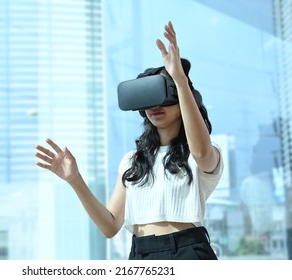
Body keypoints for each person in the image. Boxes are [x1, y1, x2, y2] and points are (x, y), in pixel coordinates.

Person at [35, 21, 223, 260]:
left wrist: (179, 80)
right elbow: (110, 226)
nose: (155, 105)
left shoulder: (203, 152)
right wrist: (75, 180)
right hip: (140, 254)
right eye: (148, 98)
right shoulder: (132, 161)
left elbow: (201, 153)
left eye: (164, 95)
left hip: (188, 251)